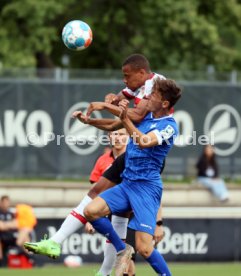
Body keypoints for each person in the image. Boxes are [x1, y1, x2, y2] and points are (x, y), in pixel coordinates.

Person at [23, 54, 166, 267]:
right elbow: (118, 113)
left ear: (141, 73)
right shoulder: (138, 87)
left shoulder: (156, 85)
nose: (124, 81)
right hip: (134, 154)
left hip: (146, 158)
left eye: (127, 76)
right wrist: (96, 114)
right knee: (97, 198)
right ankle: (59, 243)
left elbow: (134, 116)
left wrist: (159, 223)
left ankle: (114, 255)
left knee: (142, 244)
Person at [83, 78, 181, 276]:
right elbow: (114, 125)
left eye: (153, 95)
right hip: (127, 184)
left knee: (144, 248)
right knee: (91, 211)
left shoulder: (169, 126)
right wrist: (89, 121)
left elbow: (144, 141)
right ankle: (123, 249)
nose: (148, 96)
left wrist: (125, 117)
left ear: (164, 103)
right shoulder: (146, 116)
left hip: (146, 188)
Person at [0, 195, 37, 266]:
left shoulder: (11, 214)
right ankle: (17, 248)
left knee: (25, 235)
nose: (6, 204)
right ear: (1, 203)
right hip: (2, 236)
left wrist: (8, 225)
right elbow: (2, 226)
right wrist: (9, 225)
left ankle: (30, 258)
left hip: (12, 235)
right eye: (4, 202)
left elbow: (16, 224)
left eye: (7, 202)